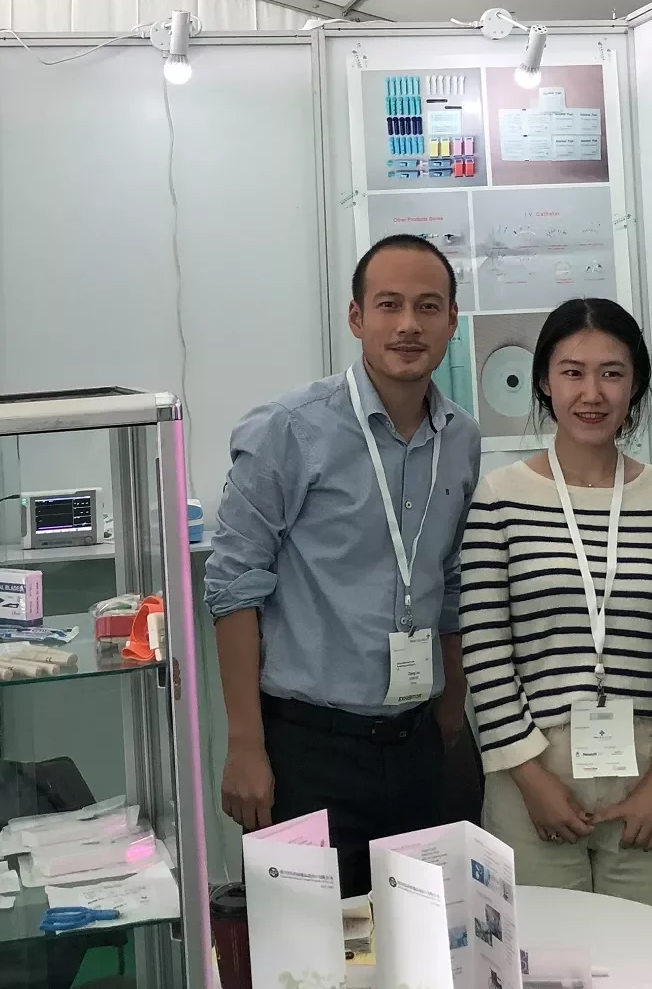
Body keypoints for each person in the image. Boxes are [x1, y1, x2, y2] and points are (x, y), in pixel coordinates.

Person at [203, 234, 480, 894]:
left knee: (416, 936)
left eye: (428, 307)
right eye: (389, 305)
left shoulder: (462, 440)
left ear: (451, 321)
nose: (408, 324)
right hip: (307, 751)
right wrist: (245, 744)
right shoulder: (289, 429)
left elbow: (449, 582)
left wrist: (451, 711)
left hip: (416, 744)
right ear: (357, 317)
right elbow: (234, 588)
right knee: (310, 943)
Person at [459, 298, 652, 912]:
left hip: (648, 769)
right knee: (545, 955)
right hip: (533, 766)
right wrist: (530, 777)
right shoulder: (500, 498)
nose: (591, 394)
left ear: (635, 384)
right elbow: (485, 648)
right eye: (572, 372)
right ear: (545, 381)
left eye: (611, 373)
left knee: (649, 954)